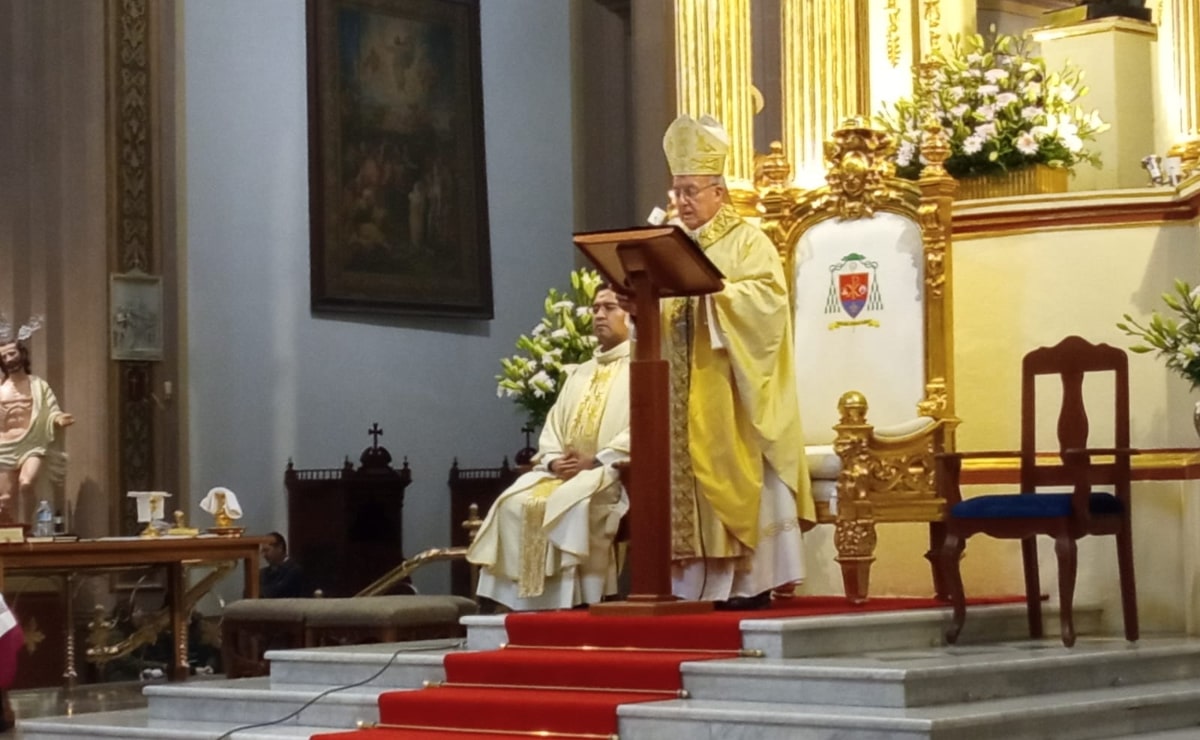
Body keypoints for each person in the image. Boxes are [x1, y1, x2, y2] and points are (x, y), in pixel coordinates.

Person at [660, 114, 815, 609]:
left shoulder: (748, 241)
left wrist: (717, 295)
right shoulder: (668, 243)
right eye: (677, 190)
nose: (681, 201)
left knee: (736, 465)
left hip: (732, 385)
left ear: (719, 193)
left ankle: (751, 581)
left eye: (691, 191)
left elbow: (769, 304)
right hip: (679, 384)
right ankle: (690, 584)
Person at [468, 286, 631, 611]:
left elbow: (643, 427)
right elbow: (554, 427)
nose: (599, 315)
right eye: (595, 308)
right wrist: (554, 461)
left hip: (608, 472)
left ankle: (576, 599)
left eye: (609, 307)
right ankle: (512, 604)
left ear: (630, 313)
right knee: (511, 503)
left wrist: (596, 460)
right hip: (564, 472)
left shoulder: (642, 367)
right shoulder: (579, 373)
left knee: (565, 505)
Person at [0, 316, 74, 524]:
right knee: (4, 498)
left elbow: (51, 410)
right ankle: (9, 532)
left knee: (26, 482)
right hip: (4, 446)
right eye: (4, 357)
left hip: (31, 443)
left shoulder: (38, 385)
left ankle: (29, 525)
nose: (9, 359)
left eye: (12, 354)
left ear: (21, 355)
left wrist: (59, 419)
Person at [260, 532, 308, 599]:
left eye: (266, 550)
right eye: (263, 551)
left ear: (280, 548)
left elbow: (276, 592)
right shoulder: (262, 573)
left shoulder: (294, 570)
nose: (264, 555)